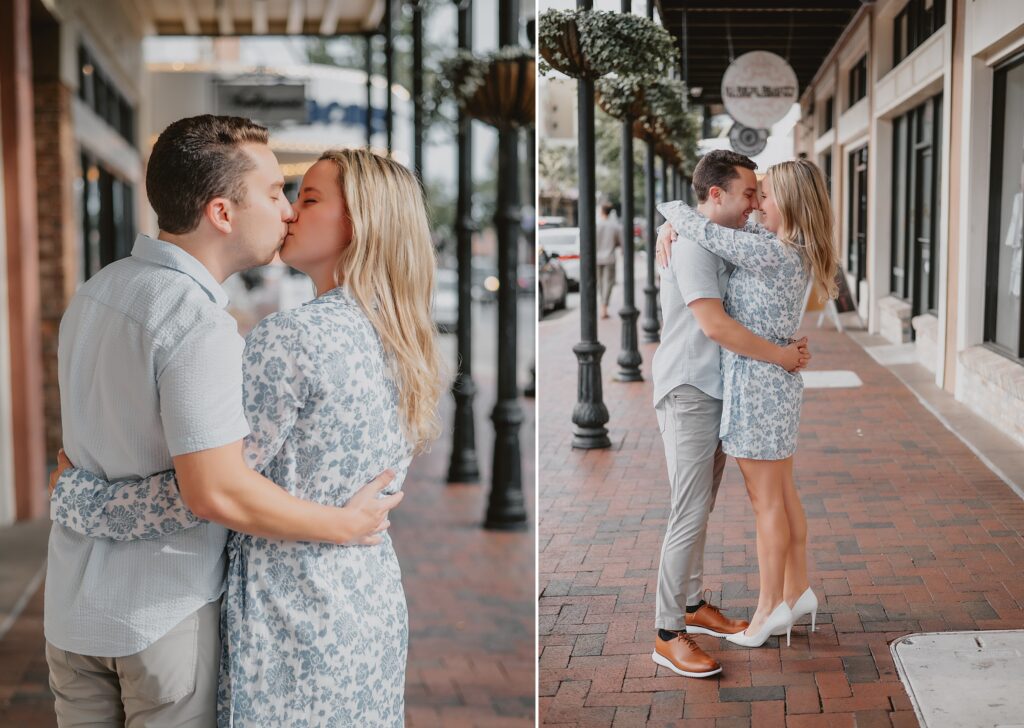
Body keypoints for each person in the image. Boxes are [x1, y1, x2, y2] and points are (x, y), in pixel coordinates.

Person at [45, 117, 405, 726]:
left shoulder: (96, 291)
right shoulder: (199, 323)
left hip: (70, 609)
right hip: (162, 614)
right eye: (275, 193)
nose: (287, 211)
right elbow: (214, 488)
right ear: (222, 213)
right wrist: (344, 525)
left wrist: (74, 495)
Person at [657, 158, 839, 648]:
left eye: (766, 196)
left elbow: (704, 229)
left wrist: (674, 215)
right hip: (765, 384)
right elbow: (708, 234)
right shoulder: (780, 246)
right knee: (781, 496)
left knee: (767, 503)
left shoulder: (773, 252)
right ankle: (796, 593)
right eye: (753, 194)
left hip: (759, 385)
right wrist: (671, 225)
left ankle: (768, 612)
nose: (759, 203)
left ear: (791, 204)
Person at [596, 201, 622, 319]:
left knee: (600, 283)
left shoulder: (596, 224)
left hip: (596, 258)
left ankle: (602, 305)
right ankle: (604, 307)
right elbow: (619, 242)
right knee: (608, 283)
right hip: (609, 258)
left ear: (601, 211)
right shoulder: (614, 226)